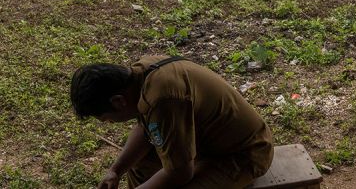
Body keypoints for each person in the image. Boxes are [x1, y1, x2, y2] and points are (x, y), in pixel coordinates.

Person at [70, 55, 274, 189]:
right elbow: (146, 127)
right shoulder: (141, 75)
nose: (109, 123)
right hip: (210, 143)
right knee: (139, 166)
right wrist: (116, 170)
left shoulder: (163, 99)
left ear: (118, 101)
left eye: (106, 119)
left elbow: (180, 174)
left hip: (245, 153)